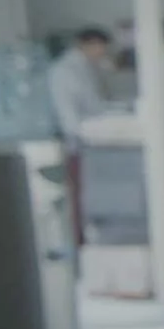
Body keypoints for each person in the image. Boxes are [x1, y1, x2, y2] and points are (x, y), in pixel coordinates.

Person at [46, 26, 115, 247]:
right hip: (79, 144)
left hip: (92, 141)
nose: (101, 54)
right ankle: (80, 244)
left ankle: (90, 241)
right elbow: (70, 116)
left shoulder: (86, 68)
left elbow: (96, 105)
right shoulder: (65, 71)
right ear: (84, 45)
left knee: (91, 199)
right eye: (98, 48)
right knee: (79, 200)